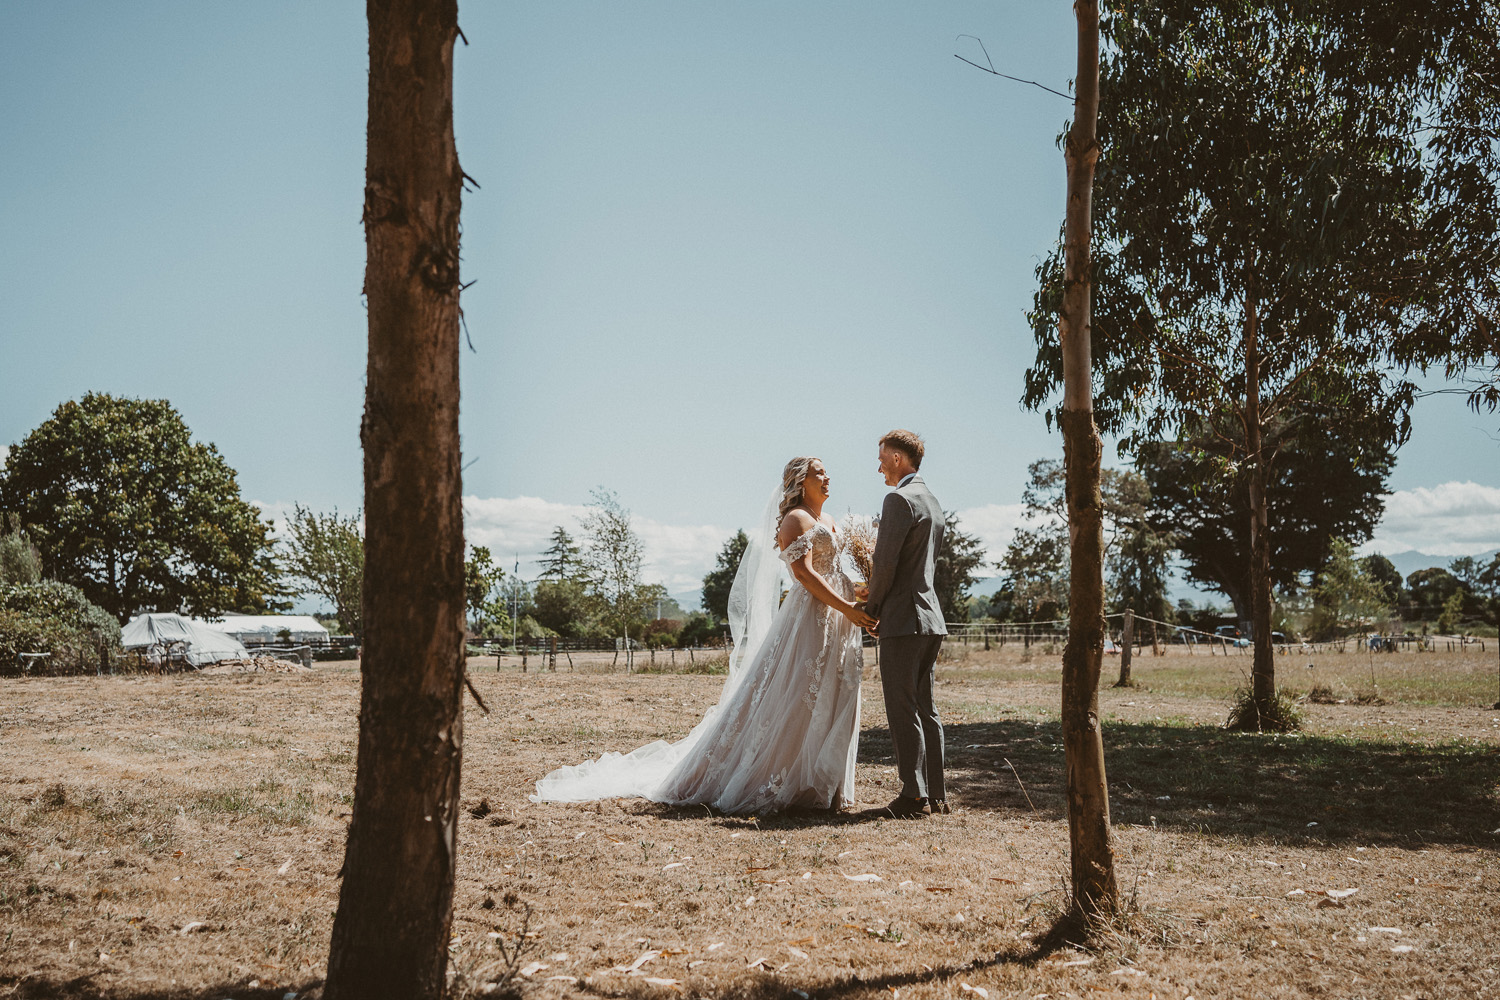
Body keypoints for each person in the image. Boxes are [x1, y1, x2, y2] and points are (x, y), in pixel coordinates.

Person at [531, 457, 876, 814]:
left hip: (838, 617)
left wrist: (858, 591)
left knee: (833, 693)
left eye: (825, 471)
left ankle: (820, 783)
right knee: (798, 692)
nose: (828, 477)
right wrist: (846, 607)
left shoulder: (830, 522)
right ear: (801, 482)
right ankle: (781, 781)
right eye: (819, 473)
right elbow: (803, 575)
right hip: (809, 619)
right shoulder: (796, 520)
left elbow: (833, 571)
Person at [863, 429, 949, 817]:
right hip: (930, 618)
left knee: (902, 709)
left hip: (903, 619)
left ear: (898, 458)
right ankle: (936, 793)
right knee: (925, 708)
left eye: (882, 457)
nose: (878, 465)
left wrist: (873, 606)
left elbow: (885, 563)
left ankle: (913, 796)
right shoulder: (932, 501)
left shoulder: (898, 499)